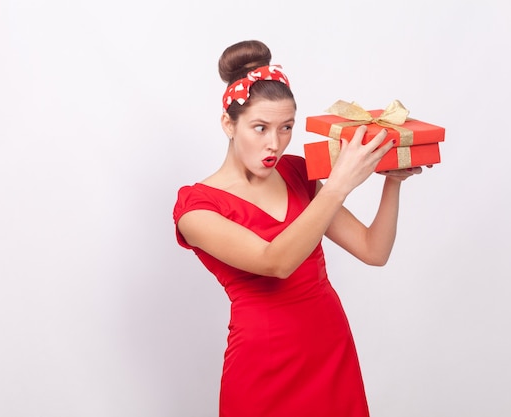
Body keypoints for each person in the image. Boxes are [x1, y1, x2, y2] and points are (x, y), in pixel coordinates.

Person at [172, 40, 425, 417]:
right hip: (263, 363)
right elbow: (276, 261)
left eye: (286, 127)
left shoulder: (295, 173)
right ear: (229, 123)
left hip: (329, 345)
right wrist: (339, 184)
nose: (274, 143)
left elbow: (374, 251)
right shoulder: (197, 208)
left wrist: (393, 181)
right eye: (260, 127)